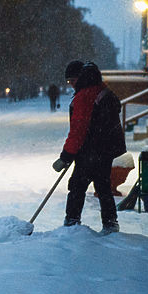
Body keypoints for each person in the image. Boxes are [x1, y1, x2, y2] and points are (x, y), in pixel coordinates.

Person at [52, 60, 126, 234]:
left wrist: (66, 156)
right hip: (105, 150)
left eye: (71, 81)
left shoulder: (85, 96)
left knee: (77, 186)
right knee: (103, 186)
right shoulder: (102, 89)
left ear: (80, 78)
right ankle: (110, 224)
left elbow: (78, 129)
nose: (70, 85)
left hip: (90, 151)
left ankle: (71, 224)